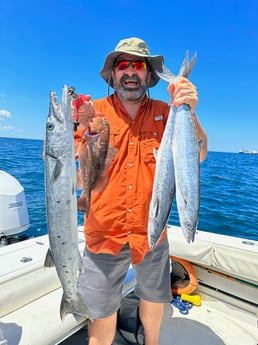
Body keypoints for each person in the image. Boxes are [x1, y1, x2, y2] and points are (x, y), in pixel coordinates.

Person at [72, 37, 207, 345]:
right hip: (103, 235)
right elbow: (73, 176)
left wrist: (190, 109)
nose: (130, 72)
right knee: (102, 315)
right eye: (123, 65)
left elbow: (198, 154)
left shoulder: (167, 111)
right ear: (113, 74)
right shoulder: (94, 113)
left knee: (154, 298)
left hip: (152, 234)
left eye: (138, 65)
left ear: (149, 75)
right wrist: (69, 126)